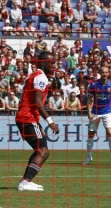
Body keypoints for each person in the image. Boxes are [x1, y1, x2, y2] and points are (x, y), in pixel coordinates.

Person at [15, 51, 60, 191]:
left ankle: (26, 180)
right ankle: (26, 182)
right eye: (51, 63)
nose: (54, 66)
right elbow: (37, 102)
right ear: (42, 63)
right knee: (43, 152)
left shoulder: (34, 76)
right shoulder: (41, 77)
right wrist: (50, 121)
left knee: (39, 150)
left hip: (27, 117)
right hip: (28, 118)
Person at [83, 66, 111, 166]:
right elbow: (90, 99)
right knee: (91, 134)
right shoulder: (94, 85)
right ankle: (89, 156)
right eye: (103, 72)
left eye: (107, 72)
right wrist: (89, 112)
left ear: (109, 73)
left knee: (109, 132)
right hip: (95, 111)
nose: (105, 74)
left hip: (107, 111)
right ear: (100, 73)